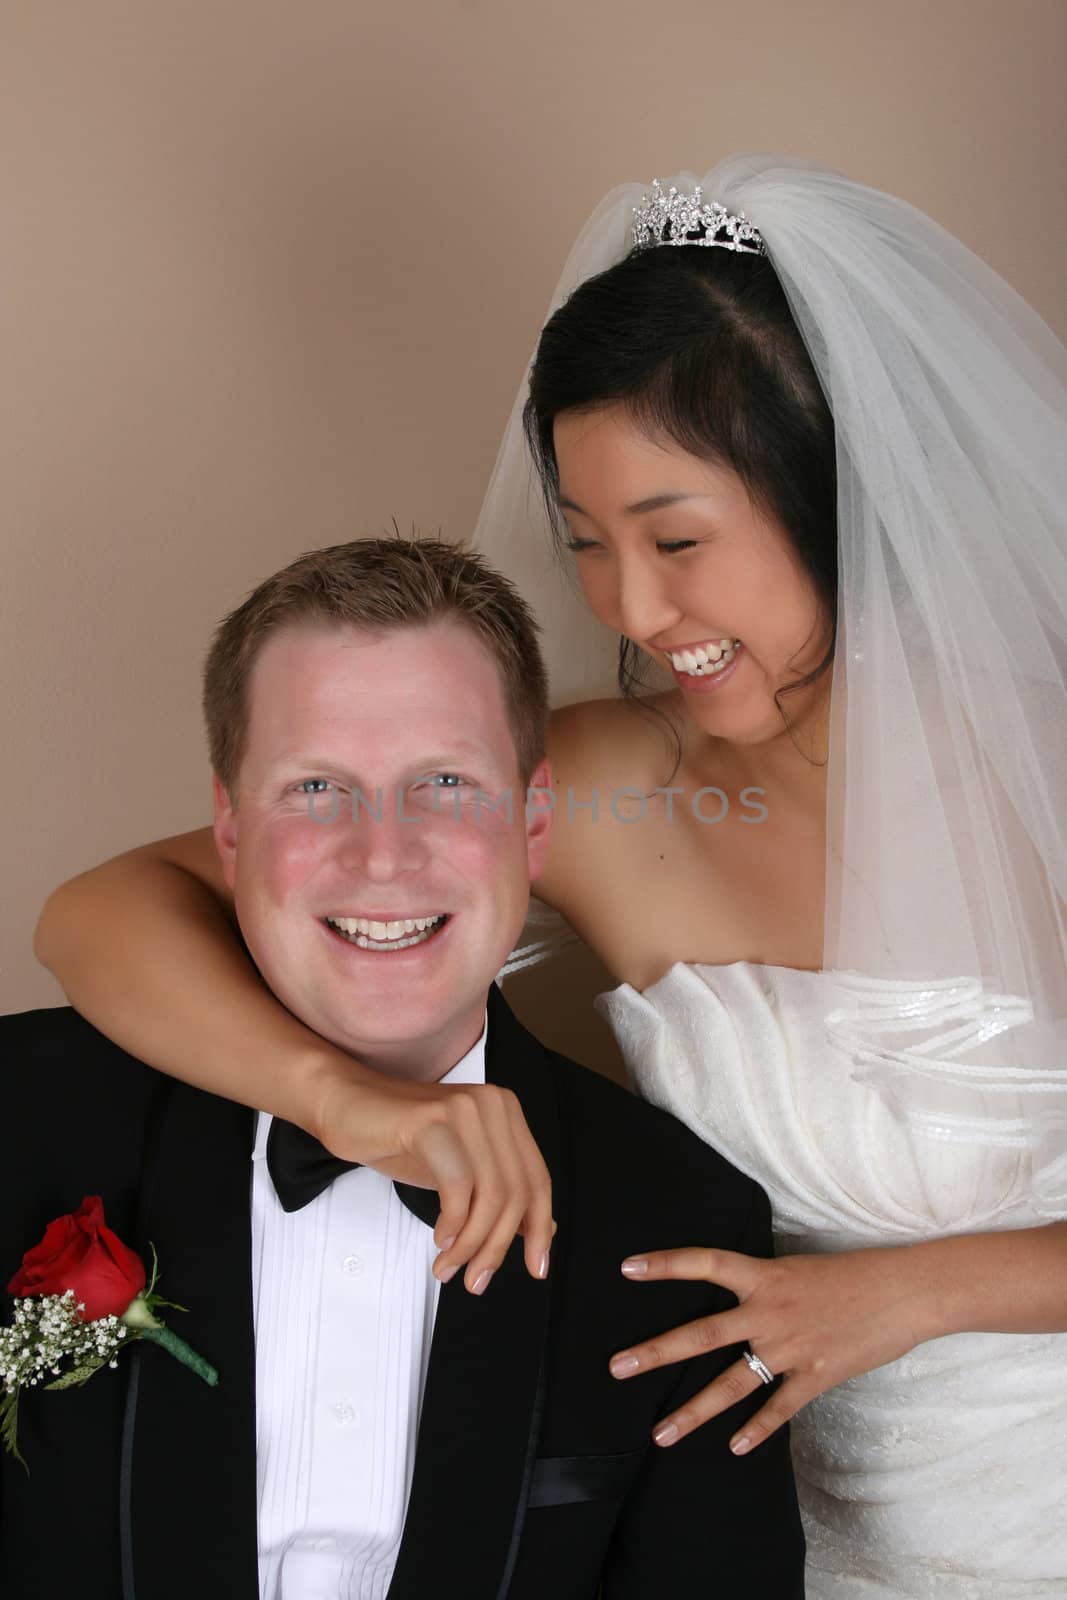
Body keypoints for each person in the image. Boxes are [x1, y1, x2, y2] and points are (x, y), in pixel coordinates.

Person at [34, 156, 1067, 1595]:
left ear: (841, 492)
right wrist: (345, 1103)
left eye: (677, 539)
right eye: (586, 543)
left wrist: (906, 1296)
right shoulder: (597, 781)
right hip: (780, 1547)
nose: (633, 610)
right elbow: (96, 914)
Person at [4, 537, 804, 1599]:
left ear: (531, 821)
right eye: (317, 786)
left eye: (443, 781)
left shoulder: (677, 1222)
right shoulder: (23, 1118)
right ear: (230, 830)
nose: (381, 855)